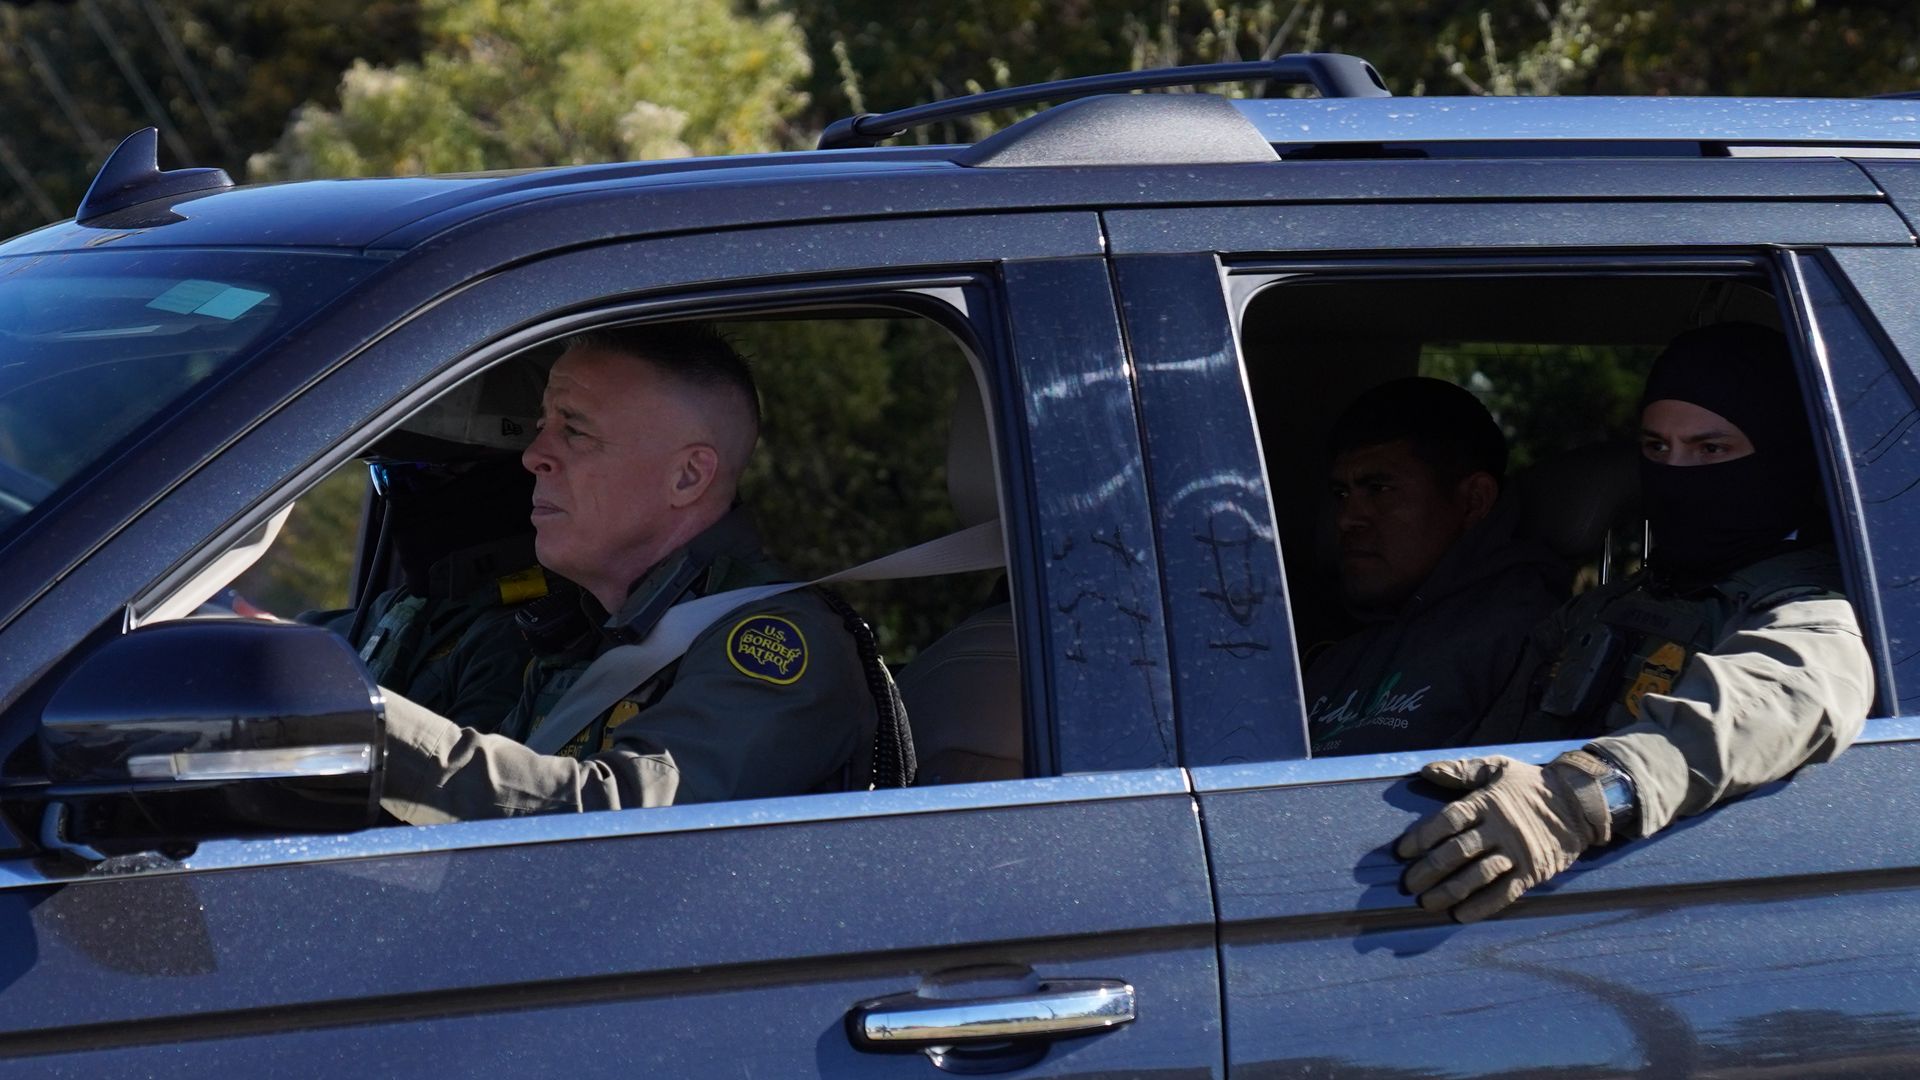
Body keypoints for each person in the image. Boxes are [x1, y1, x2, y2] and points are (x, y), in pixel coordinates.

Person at [1394, 323, 1873, 923]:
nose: (1677, 473)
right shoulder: (1606, 604)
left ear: (1783, 458)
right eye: (1656, 448)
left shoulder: (1811, 604)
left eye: (1711, 450)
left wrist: (1574, 802)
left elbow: (1787, 693)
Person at [378, 323, 888, 824]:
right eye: (542, 429)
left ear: (687, 477)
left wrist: (367, 727)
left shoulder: (778, 643)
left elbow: (620, 826)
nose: (533, 457)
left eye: (574, 431)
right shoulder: (585, 631)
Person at [1305, 377, 1566, 755]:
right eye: (1342, 494)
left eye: (1379, 489)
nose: (1347, 518)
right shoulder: (1335, 654)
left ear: (1474, 501)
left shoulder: (1526, 641)